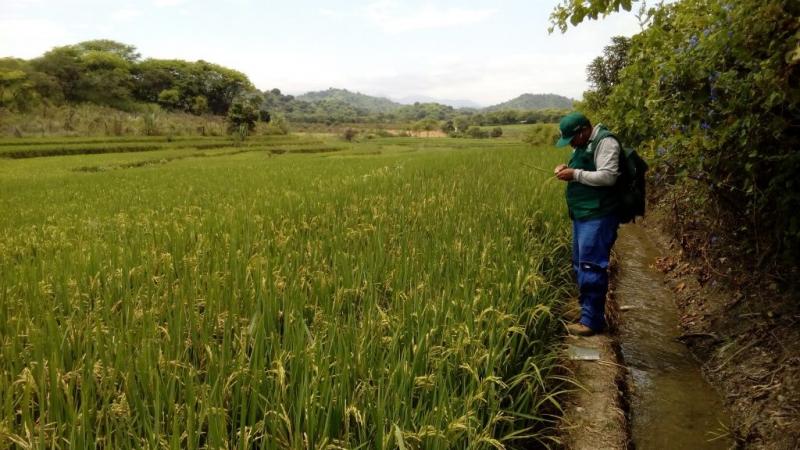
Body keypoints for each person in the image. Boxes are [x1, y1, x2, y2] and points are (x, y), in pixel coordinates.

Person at [553, 112, 622, 337]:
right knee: (579, 264)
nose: (571, 144)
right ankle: (587, 313)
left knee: (591, 266)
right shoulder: (583, 144)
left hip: (599, 214)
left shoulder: (606, 142)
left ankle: (591, 322)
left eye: (573, 139)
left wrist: (575, 175)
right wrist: (565, 168)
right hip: (582, 213)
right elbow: (582, 165)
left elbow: (608, 176)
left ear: (584, 130)